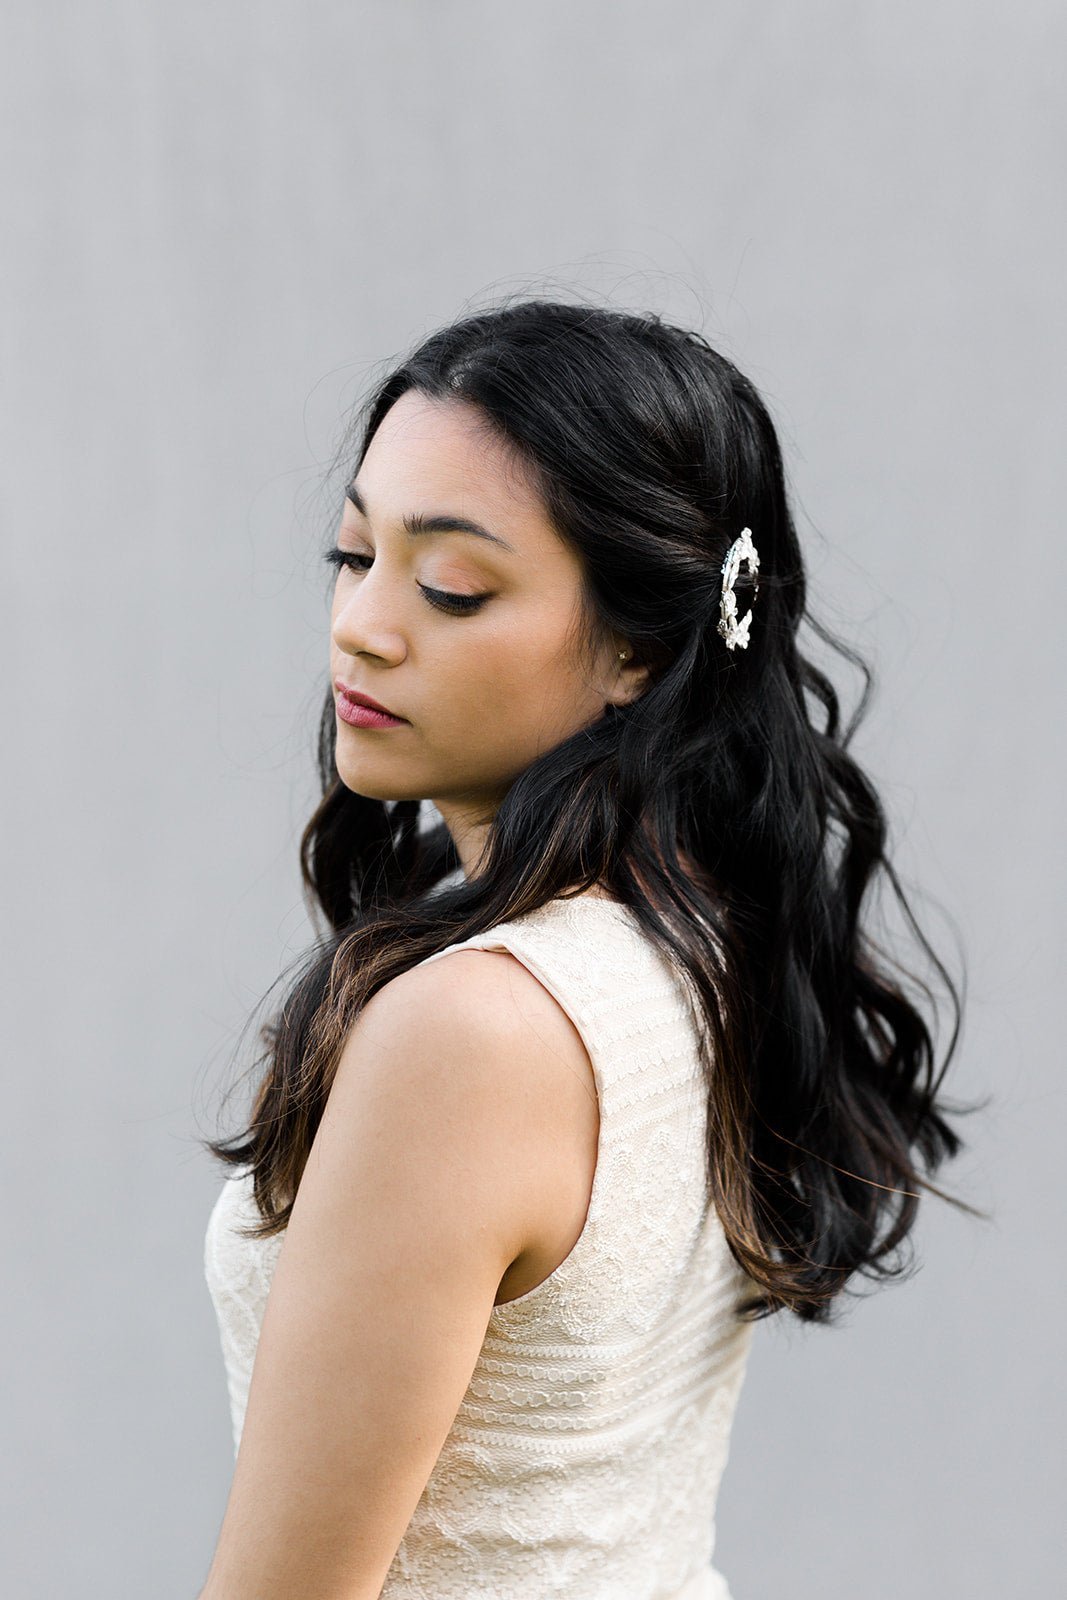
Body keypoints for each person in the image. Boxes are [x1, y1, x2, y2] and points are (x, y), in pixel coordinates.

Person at [198, 298, 972, 1600]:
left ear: (639, 648)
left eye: (451, 585)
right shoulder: (707, 941)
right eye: (352, 554)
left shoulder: (477, 1030)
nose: (365, 626)